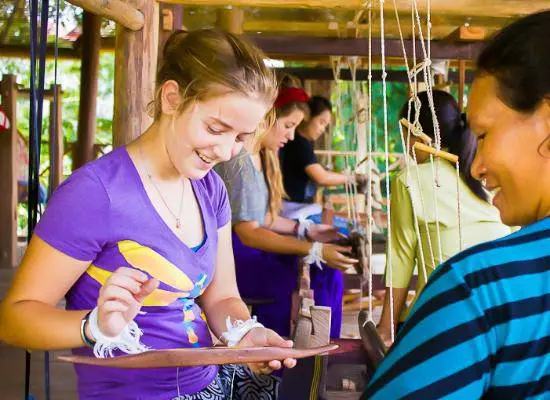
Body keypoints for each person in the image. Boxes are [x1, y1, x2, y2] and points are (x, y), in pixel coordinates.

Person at [0, 29, 298, 400]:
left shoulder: (210, 189)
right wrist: (93, 325)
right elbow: (15, 320)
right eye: (215, 128)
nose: (225, 151)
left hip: (207, 384)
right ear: (172, 97)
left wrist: (245, 334)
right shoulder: (96, 193)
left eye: (240, 137)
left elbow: (221, 298)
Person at [364, 10, 550, 399]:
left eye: (484, 133)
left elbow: (401, 257)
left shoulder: (478, 289)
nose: (477, 164)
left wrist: (386, 325)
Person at [215, 78, 357, 339]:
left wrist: (307, 230)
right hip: (234, 257)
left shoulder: (261, 156)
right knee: (321, 271)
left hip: (250, 249)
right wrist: (313, 249)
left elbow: (266, 218)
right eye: (288, 126)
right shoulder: (240, 162)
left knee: (329, 271)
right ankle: (295, 355)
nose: (291, 136)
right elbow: (249, 233)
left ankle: (318, 351)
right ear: (267, 117)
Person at [376, 90, 510, 346]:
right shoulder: (491, 180)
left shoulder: (410, 181)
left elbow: (400, 260)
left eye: (405, 137)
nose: (407, 147)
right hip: (501, 317)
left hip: (439, 322)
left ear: (417, 134)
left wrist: (385, 329)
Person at [279, 96, 363, 219]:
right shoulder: (298, 143)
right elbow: (321, 177)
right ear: (308, 117)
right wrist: (351, 178)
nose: (322, 129)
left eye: (325, 125)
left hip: (296, 207)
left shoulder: (305, 143)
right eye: (321, 122)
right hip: (290, 209)